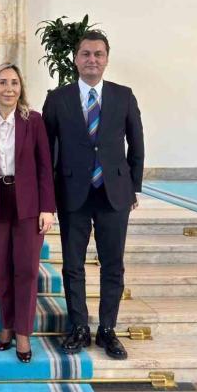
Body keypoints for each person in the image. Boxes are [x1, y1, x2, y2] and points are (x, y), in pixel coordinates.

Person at [42, 30, 144, 360]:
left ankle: (107, 329)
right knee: (73, 265)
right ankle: (79, 326)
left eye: (98, 54)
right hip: (73, 194)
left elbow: (137, 145)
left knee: (113, 265)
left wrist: (133, 187)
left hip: (114, 194)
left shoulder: (123, 96)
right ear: (75, 59)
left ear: (106, 59)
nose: (92, 60)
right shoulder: (58, 99)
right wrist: (48, 195)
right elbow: (45, 151)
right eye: (86, 53)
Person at [0, 63, 56, 363]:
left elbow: (45, 166)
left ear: (21, 88)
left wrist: (47, 207)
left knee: (27, 270)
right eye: (3, 82)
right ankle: (6, 325)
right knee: (1, 269)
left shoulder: (34, 121)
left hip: (29, 204)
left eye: (14, 83)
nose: (9, 88)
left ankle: (23, 332)